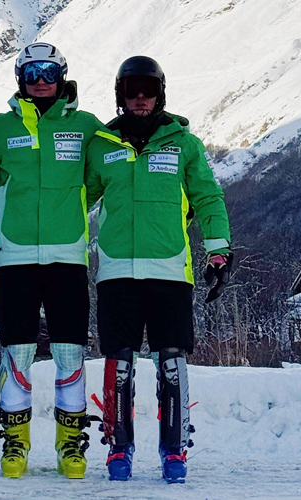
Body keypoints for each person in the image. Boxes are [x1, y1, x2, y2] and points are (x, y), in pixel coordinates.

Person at [84, 56, 232, 483]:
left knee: (171, 362)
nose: (141, 98)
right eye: (132, 90)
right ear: (121, 95)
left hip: (169, 270)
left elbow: (207, 197)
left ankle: (175, 449)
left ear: (160, 93)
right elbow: (75, 200)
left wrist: (219, 251)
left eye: (148, 90)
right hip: (115, 271)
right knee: (120, 362)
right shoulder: (102, 144)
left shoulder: (184, 143)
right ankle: (118, 448)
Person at [0, 42, 104, 479]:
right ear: (20, 79)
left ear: (62, 75)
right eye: (32, 73)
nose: (41, 80)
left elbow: (108, 171)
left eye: (49, 71)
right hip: (15, 257)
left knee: (71, 352)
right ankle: (16, 442)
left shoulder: (87, 126)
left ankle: (71, 444)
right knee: (18, 350)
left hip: (68, 255)